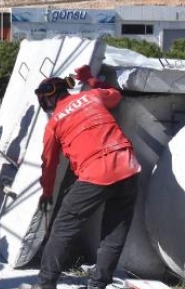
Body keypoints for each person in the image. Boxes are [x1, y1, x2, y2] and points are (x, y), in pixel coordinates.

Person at [20, 65, 141, 289]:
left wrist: (47, 193)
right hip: (128, 166)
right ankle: (97, 285)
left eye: (44, 100)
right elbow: (116, 95)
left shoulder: (54, 123)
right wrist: (90, 79)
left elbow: (49, 164)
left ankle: (45, 284)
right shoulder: (92, 96)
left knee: (63, 228)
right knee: (114, 233)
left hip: (96, 172)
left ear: (50, 98)